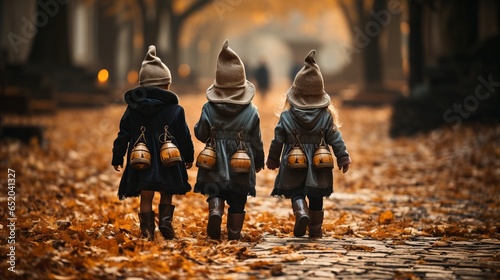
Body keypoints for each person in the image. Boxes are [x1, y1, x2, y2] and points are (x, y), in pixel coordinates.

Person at [112, 45, 194, 241]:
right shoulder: (175, 110)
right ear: (166, 85)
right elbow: (184, 135)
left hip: (143, 158)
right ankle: (165, 222)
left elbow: (123, 133)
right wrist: (188, 156)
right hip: (169, 158)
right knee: (167, 190)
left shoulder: (133, 109)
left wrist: (118, 155)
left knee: (146, 194)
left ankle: (147, 230)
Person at [266, 50, 351, 238]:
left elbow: (277, 138)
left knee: (296, 191)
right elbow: (335, 137)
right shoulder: (326, 117)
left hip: (293, 162)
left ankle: (301, 212)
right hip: (319, 163)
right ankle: (315, 229)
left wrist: (273, 158)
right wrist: (342, 156)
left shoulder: (287, 116)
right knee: (317, 195)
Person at [194, 40, 265, 240]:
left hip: (214, 160)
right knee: (238, 198)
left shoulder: (209, 108)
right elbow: (256, 140)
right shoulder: (251, 111)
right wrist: (259, 160)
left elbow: (201, 133)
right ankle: (234, 232)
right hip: (240, 162)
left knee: (215, 190)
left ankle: (215, 209)